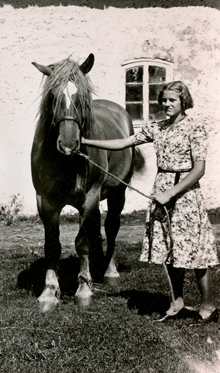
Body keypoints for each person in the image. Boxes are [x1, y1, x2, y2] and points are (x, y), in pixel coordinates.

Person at [82, 81, 217, 321]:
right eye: (164, 100)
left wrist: (171, 193)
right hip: (162, 188)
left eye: (172, 100)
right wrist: (86, 142)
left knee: (196, 250)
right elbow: (124, 142)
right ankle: (176, 301)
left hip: (184, 192)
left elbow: (199, 170)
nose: (167, 104)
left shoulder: (195, 128)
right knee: (169, 248)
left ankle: (208, 306)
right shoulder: (158, 128)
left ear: (184, 101)